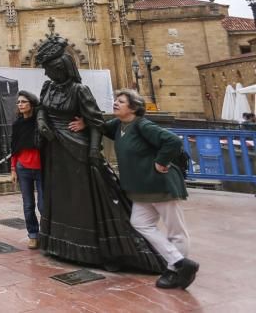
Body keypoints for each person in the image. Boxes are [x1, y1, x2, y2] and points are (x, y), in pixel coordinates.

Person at [34, 34, 164, 273]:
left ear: (62, 68)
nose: (46, 74)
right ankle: (60, 245)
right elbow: (41, 108)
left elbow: (95, 122)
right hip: (55, 150)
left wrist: (94, 150)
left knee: (85, 200)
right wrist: (42, 123)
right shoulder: (48, 87)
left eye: (50, 68)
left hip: (77, 149)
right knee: (61, 197)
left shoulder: (79, 90)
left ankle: (96, 250)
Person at [72, 90, 199, 289]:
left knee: (176, 231)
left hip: (159, 184)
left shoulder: (143, 125)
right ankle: (179, 262)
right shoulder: (119, 125)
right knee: (139, 223)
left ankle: (176, 271)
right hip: (140, 188)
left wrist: (160, 161)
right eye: (116, 100)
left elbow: (172, 141)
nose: (115, 103)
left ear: (133, 108)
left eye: (121, 101)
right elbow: (102, 127)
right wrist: (85, 124)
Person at [10, 90, 43, 249]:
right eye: (18, 102)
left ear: (31, 103)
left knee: (43, 205)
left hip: (41, 168)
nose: (20, 104)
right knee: (28, 205)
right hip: (22, 168)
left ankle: (47, 233)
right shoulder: (17, 124)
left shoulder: (40, 122)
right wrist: (13, 169)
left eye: (24, 102)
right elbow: (14, 147)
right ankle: (33, 235)